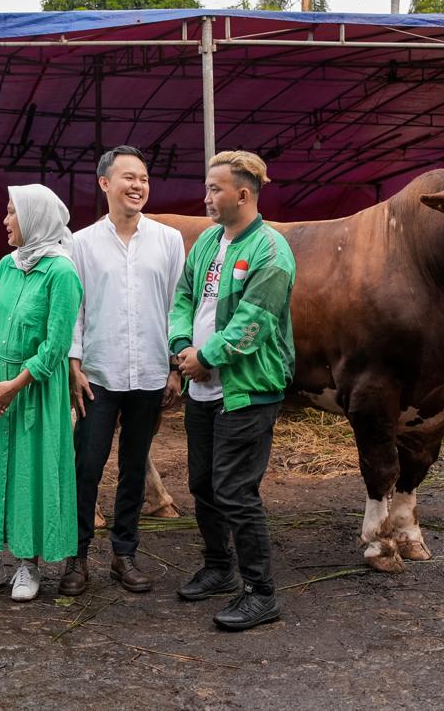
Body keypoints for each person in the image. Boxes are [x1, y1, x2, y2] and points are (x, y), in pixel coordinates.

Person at [168, 150, 296, 631]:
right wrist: (182, 345)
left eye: (214, 189)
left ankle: (261, 592)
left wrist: (206, 358)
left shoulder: (270, 250)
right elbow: (182, 296)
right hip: (202, 385)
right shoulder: (206, 243)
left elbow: (255, 322)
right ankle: (220, 567)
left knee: (236, 491)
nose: (206, 197)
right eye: (207, 188)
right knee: (203, 484)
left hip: (246, 389)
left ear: (243, 194)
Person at [60, 145, 184, 597]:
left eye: (144, 179)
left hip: (150, 373)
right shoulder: (80, 243)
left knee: (135, 467)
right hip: (97, 374)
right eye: (128, 177)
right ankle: (76, 557)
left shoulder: (168, 240)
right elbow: (73, 309)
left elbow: (177, 307)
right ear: (105, 184)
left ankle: (124, 554)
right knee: (86, 466)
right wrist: (73, 362)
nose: (138, 186)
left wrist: (175, 365)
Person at [0, 184, 83, 602]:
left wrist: (16, 385)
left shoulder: (62, 272)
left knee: (33, 472)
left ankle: (28, 565)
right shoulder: (5, 267)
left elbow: (56, 344)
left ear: (34, 219)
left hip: (35, 389)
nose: (5, 220)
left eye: (12, 213)